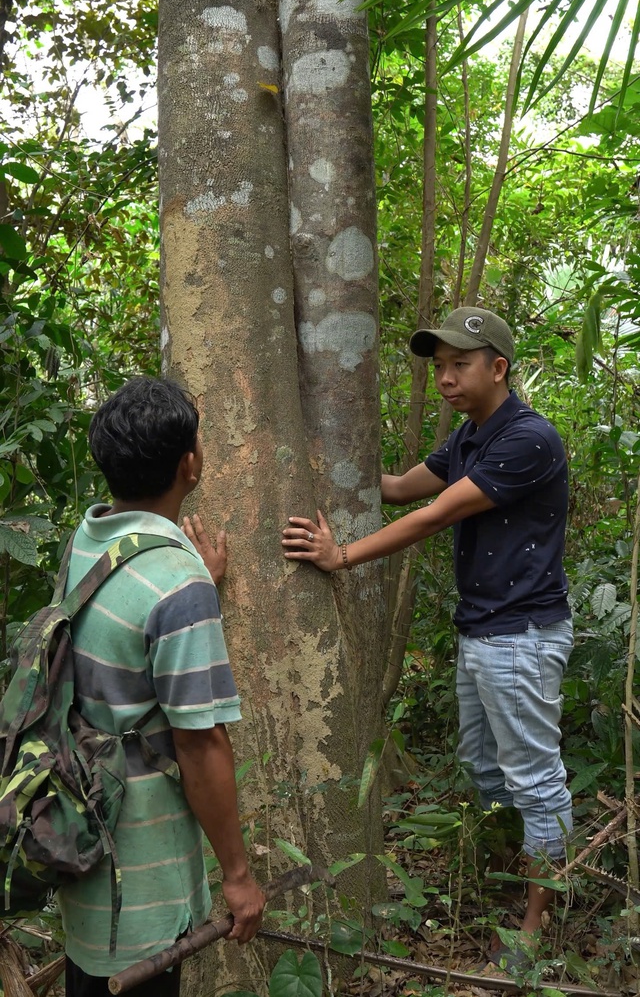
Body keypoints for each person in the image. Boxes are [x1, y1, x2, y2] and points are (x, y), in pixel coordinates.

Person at [282, 306, 573, 964]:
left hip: (521, 636)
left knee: (534, 779)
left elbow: (432, 516)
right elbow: (396, 489)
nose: (444, 378)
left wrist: (342, 556)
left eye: (459, 364)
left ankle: (536, 926)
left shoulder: (527, 439)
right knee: (483, 765)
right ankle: (527, 859)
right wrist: (316, 458)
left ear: (498, 367)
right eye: (439, 367)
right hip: (484, 634)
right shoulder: (471, 438)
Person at [58, 377, 264, 997]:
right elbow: (200, 744)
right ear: (189, 465)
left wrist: (195, 577)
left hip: (78, 820)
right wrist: (237, 874)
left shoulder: (88, 540)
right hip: (137, 868)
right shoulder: (177, 585)